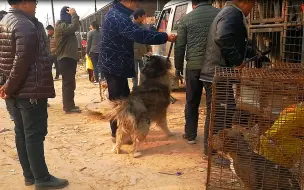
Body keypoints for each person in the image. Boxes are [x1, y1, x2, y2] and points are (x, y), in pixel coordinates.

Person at [0, 0, 69, 189]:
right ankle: (42, 178)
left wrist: (6, 85)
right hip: (29, 90)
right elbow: (21, 61)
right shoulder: (24, 25)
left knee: (21, 133)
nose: (36, 4)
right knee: (34, 135)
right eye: (35, 1)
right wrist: (9, 85)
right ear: (24, 2)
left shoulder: (6, 20)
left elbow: (5, 57)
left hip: (15, 92)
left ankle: (29, 175)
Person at [98, 0, 177, 142]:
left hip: (116, 64)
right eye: (136, 2)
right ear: (127, 1)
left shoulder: (118, 14)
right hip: (114, 65)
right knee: (119, 103)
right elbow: (138, 35)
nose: (137, 5)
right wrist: (164, 37)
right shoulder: (117, 16)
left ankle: (126, 131)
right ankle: (117, 135)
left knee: (125, 100)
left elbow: (139, 31)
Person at [200, 0, 254, 160]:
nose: (251, 10)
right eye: (252, 5)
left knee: (222, 111)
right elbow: (222, 36)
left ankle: (213, 150)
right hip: (217, 73)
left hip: (217, 72)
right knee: (220, 114)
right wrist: (237, 61)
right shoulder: (232, 13)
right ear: (246, 2)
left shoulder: (228, 12)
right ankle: (213, 153)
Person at [174, 0, 219, 146]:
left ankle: (190, 135)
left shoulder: (186, 19)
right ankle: (211, 141)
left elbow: (180, 46)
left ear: (193, 4)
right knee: (213, 105)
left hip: (193, 67)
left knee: (192, 101)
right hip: (213, 67)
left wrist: (178, 67)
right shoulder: (220, 15)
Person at [55, 6, 81, 114]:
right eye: (69, 15)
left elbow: (76, 24)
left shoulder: (65, 26)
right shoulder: (61, 26)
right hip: (65, 59)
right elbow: (75, 26)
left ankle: (70, 104)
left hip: (69, 58)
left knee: (70, 83)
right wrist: (73, 14)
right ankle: (68, 107)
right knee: (68, 83)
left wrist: (75, 15)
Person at [132, 8, 152, 90]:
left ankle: (143, 87)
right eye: (144, 16)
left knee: (144, 70)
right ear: (139, 16)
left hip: (143, 52)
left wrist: (149, 49)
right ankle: (135, 87)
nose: (145, 18)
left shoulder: (144, 27)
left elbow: (147, 38)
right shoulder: (130, 26)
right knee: (134, 72)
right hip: (133, 53)